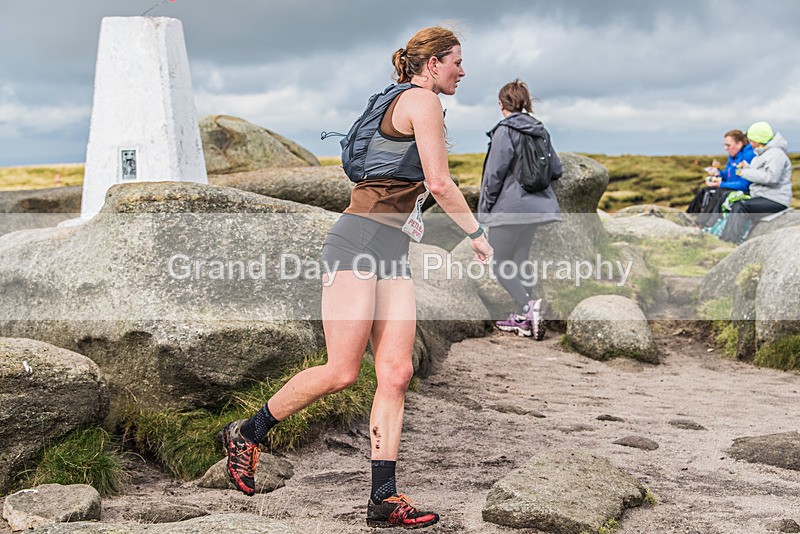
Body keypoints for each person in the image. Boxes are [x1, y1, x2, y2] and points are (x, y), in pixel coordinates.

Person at [221, 26, 492, 530]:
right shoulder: (421, 101)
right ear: (432, 63)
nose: (463, 70)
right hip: (356, 244)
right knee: (342, 371)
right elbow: (438, 181)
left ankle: (383, 499)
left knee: (396, 373)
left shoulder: (408, 100)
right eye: (457, 60)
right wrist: (476, 232)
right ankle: (247, 433)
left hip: (391, 250)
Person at [477, 79, 562, 340]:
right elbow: (556, 169)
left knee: (499, 262)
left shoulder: (505, 131)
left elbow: (494, 175)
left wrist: (484, 211)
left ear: (502, 103)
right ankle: (523, 319)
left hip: (510, 208)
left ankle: (528, 307)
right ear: (526, 102)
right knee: (519, 261)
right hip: (538, 208)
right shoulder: (540, 130)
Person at [720, 121, 793, 243]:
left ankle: (728, 242)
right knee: (734, 202)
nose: (749, 142)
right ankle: (726, 238)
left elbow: (771, 178)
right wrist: (746, 168)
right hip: (764, 196)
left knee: (740, 206)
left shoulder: (776, 154)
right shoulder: (766, 152)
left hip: (775, 199)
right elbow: (760, 172)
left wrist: (744, 173)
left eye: (750, 140)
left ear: (758, 140)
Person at [686, 129, 755, 227]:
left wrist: (721, 184)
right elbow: (729, 174)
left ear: (739, 144)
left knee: (718, 192)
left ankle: (703, 224)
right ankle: (688, 216)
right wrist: (719, 173)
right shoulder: (733, 156)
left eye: (728, 145)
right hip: (730, 186)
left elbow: (744, 184)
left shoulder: (748, 156)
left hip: (744, 190)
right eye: (724, 145)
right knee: (704, 191)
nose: (725, 148)